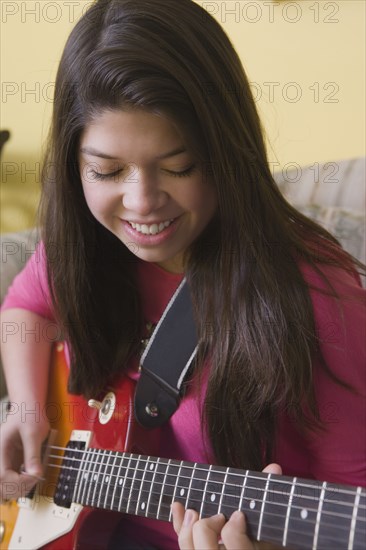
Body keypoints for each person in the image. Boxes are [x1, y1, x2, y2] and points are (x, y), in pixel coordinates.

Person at [0, 0, 365, 548]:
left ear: (227, 152)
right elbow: (25, 305)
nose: (142, 203)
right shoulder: (86, 246)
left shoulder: (318, 292)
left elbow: (351, 492)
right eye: (107, 170)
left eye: (178, 167)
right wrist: (28, 408)